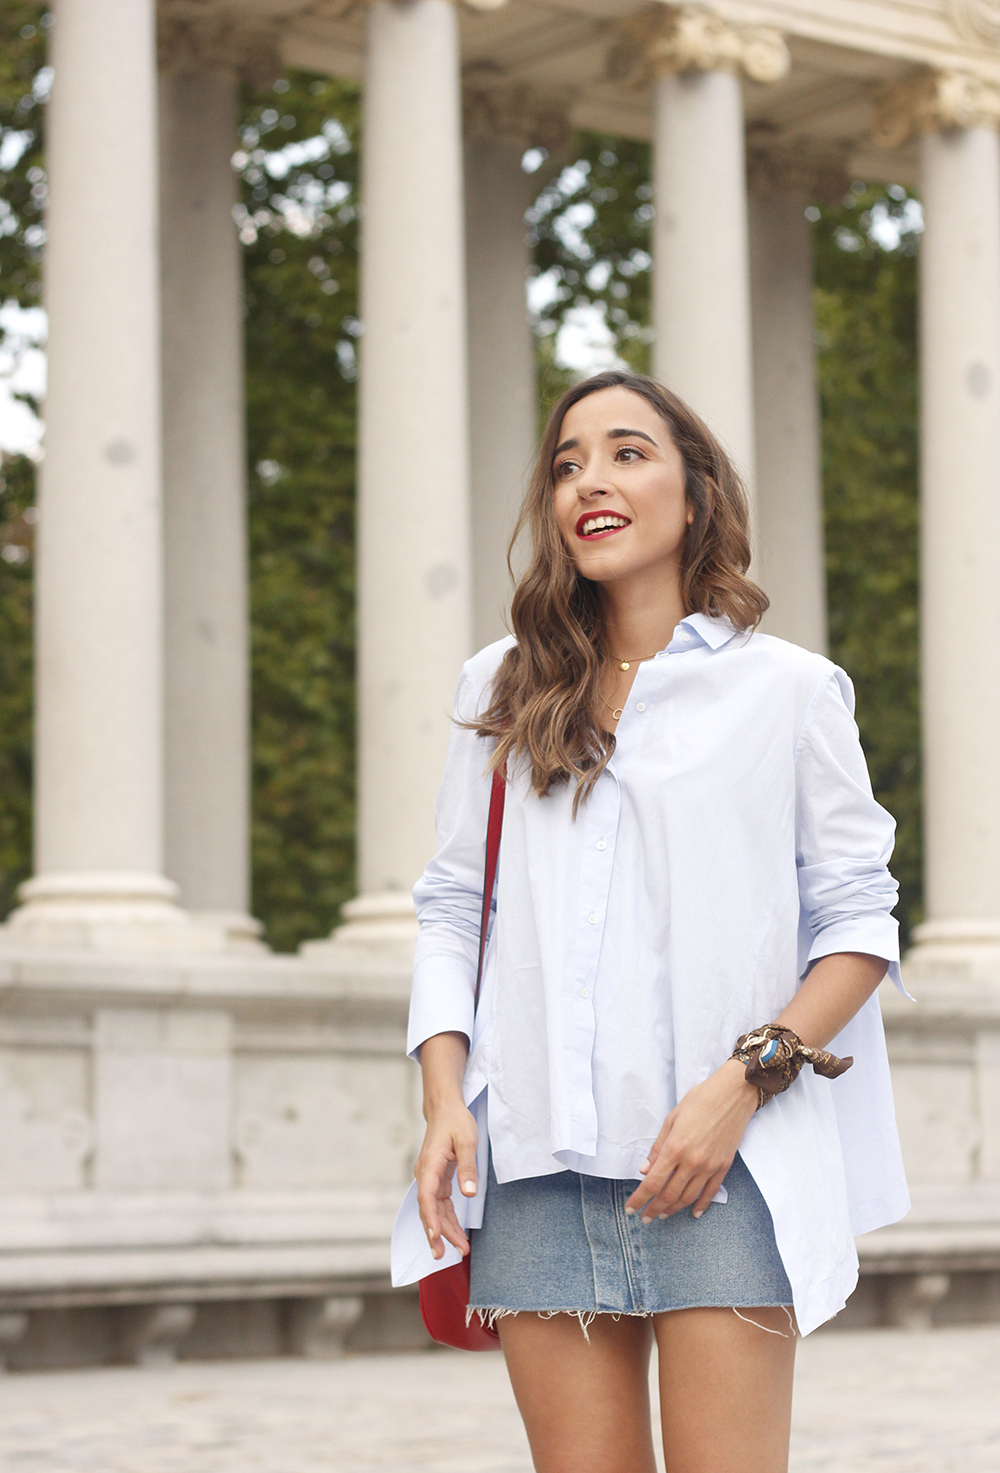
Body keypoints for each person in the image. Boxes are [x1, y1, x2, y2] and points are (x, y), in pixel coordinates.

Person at [390, 370, 909, 1473]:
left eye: (627, 452)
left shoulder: (790, 691)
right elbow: (450, 906)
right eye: (567, 462)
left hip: (722, 1168)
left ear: (695, 494)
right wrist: (442, 1099)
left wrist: (742, 1085)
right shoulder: (501, 687)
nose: (590, 480)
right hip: (530, 1171)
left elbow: (859, 916)